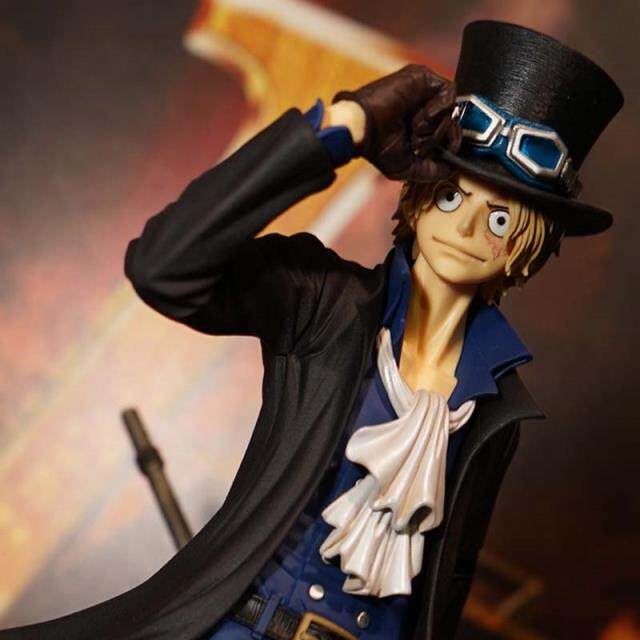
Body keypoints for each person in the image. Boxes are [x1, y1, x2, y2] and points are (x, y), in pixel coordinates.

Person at [0, 20, 623, 640]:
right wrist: (344, 128)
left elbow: (442, 591)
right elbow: (164, 267)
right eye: (451, 197)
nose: (464, 228)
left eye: (498, 219)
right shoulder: (326, 303)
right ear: (418, 196)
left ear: (527, 247)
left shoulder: (494, 407)